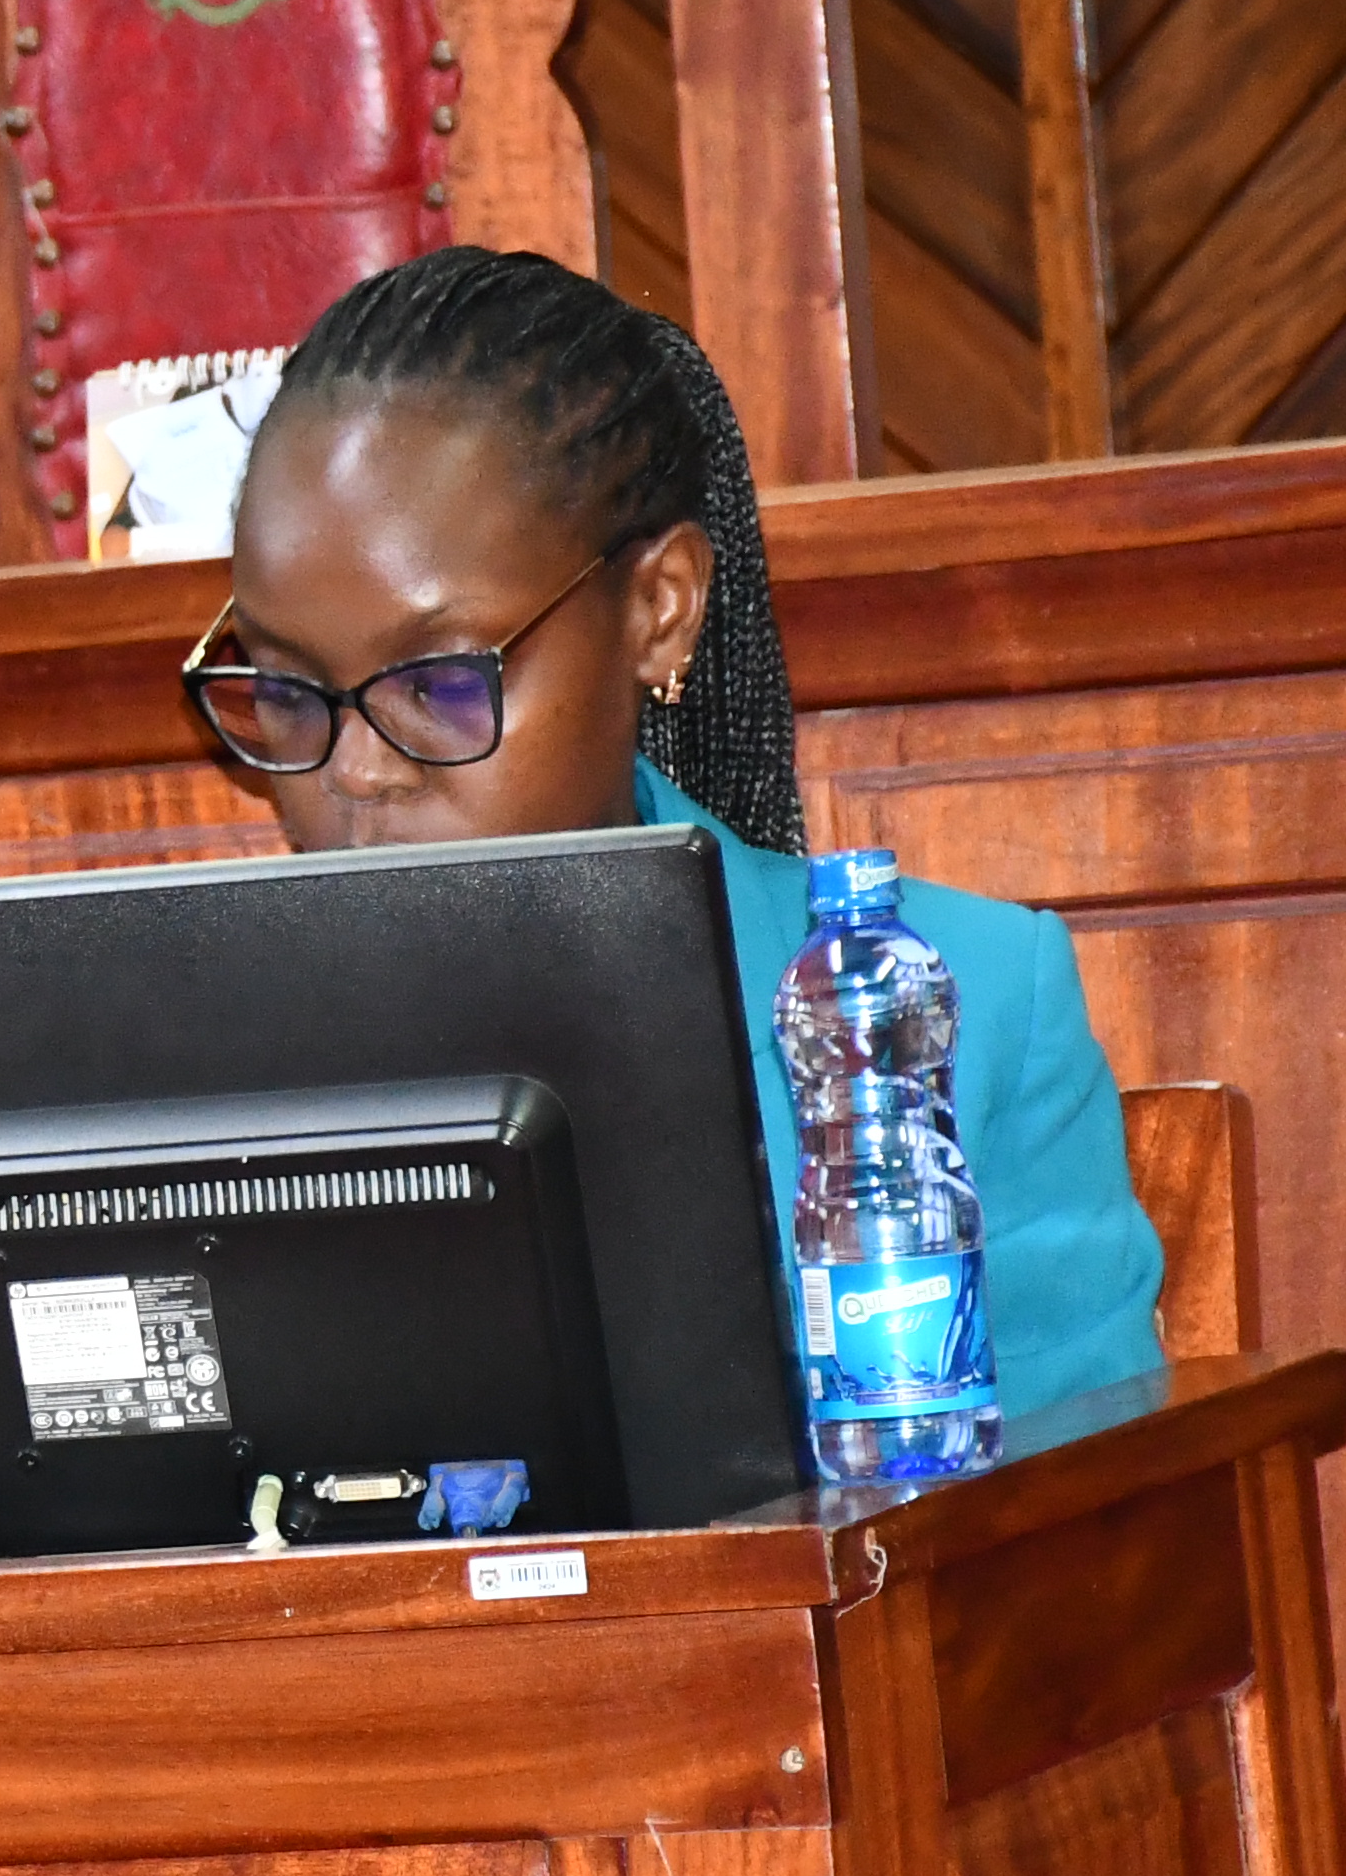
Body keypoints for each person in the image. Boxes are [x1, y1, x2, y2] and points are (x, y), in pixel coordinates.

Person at [192, 244, 1165, 1420]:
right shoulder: (183, 1050)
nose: (352, 773)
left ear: (658, 611)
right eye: (290, 693)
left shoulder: (970, 1007)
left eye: (438, 684)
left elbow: (1094, 1551)